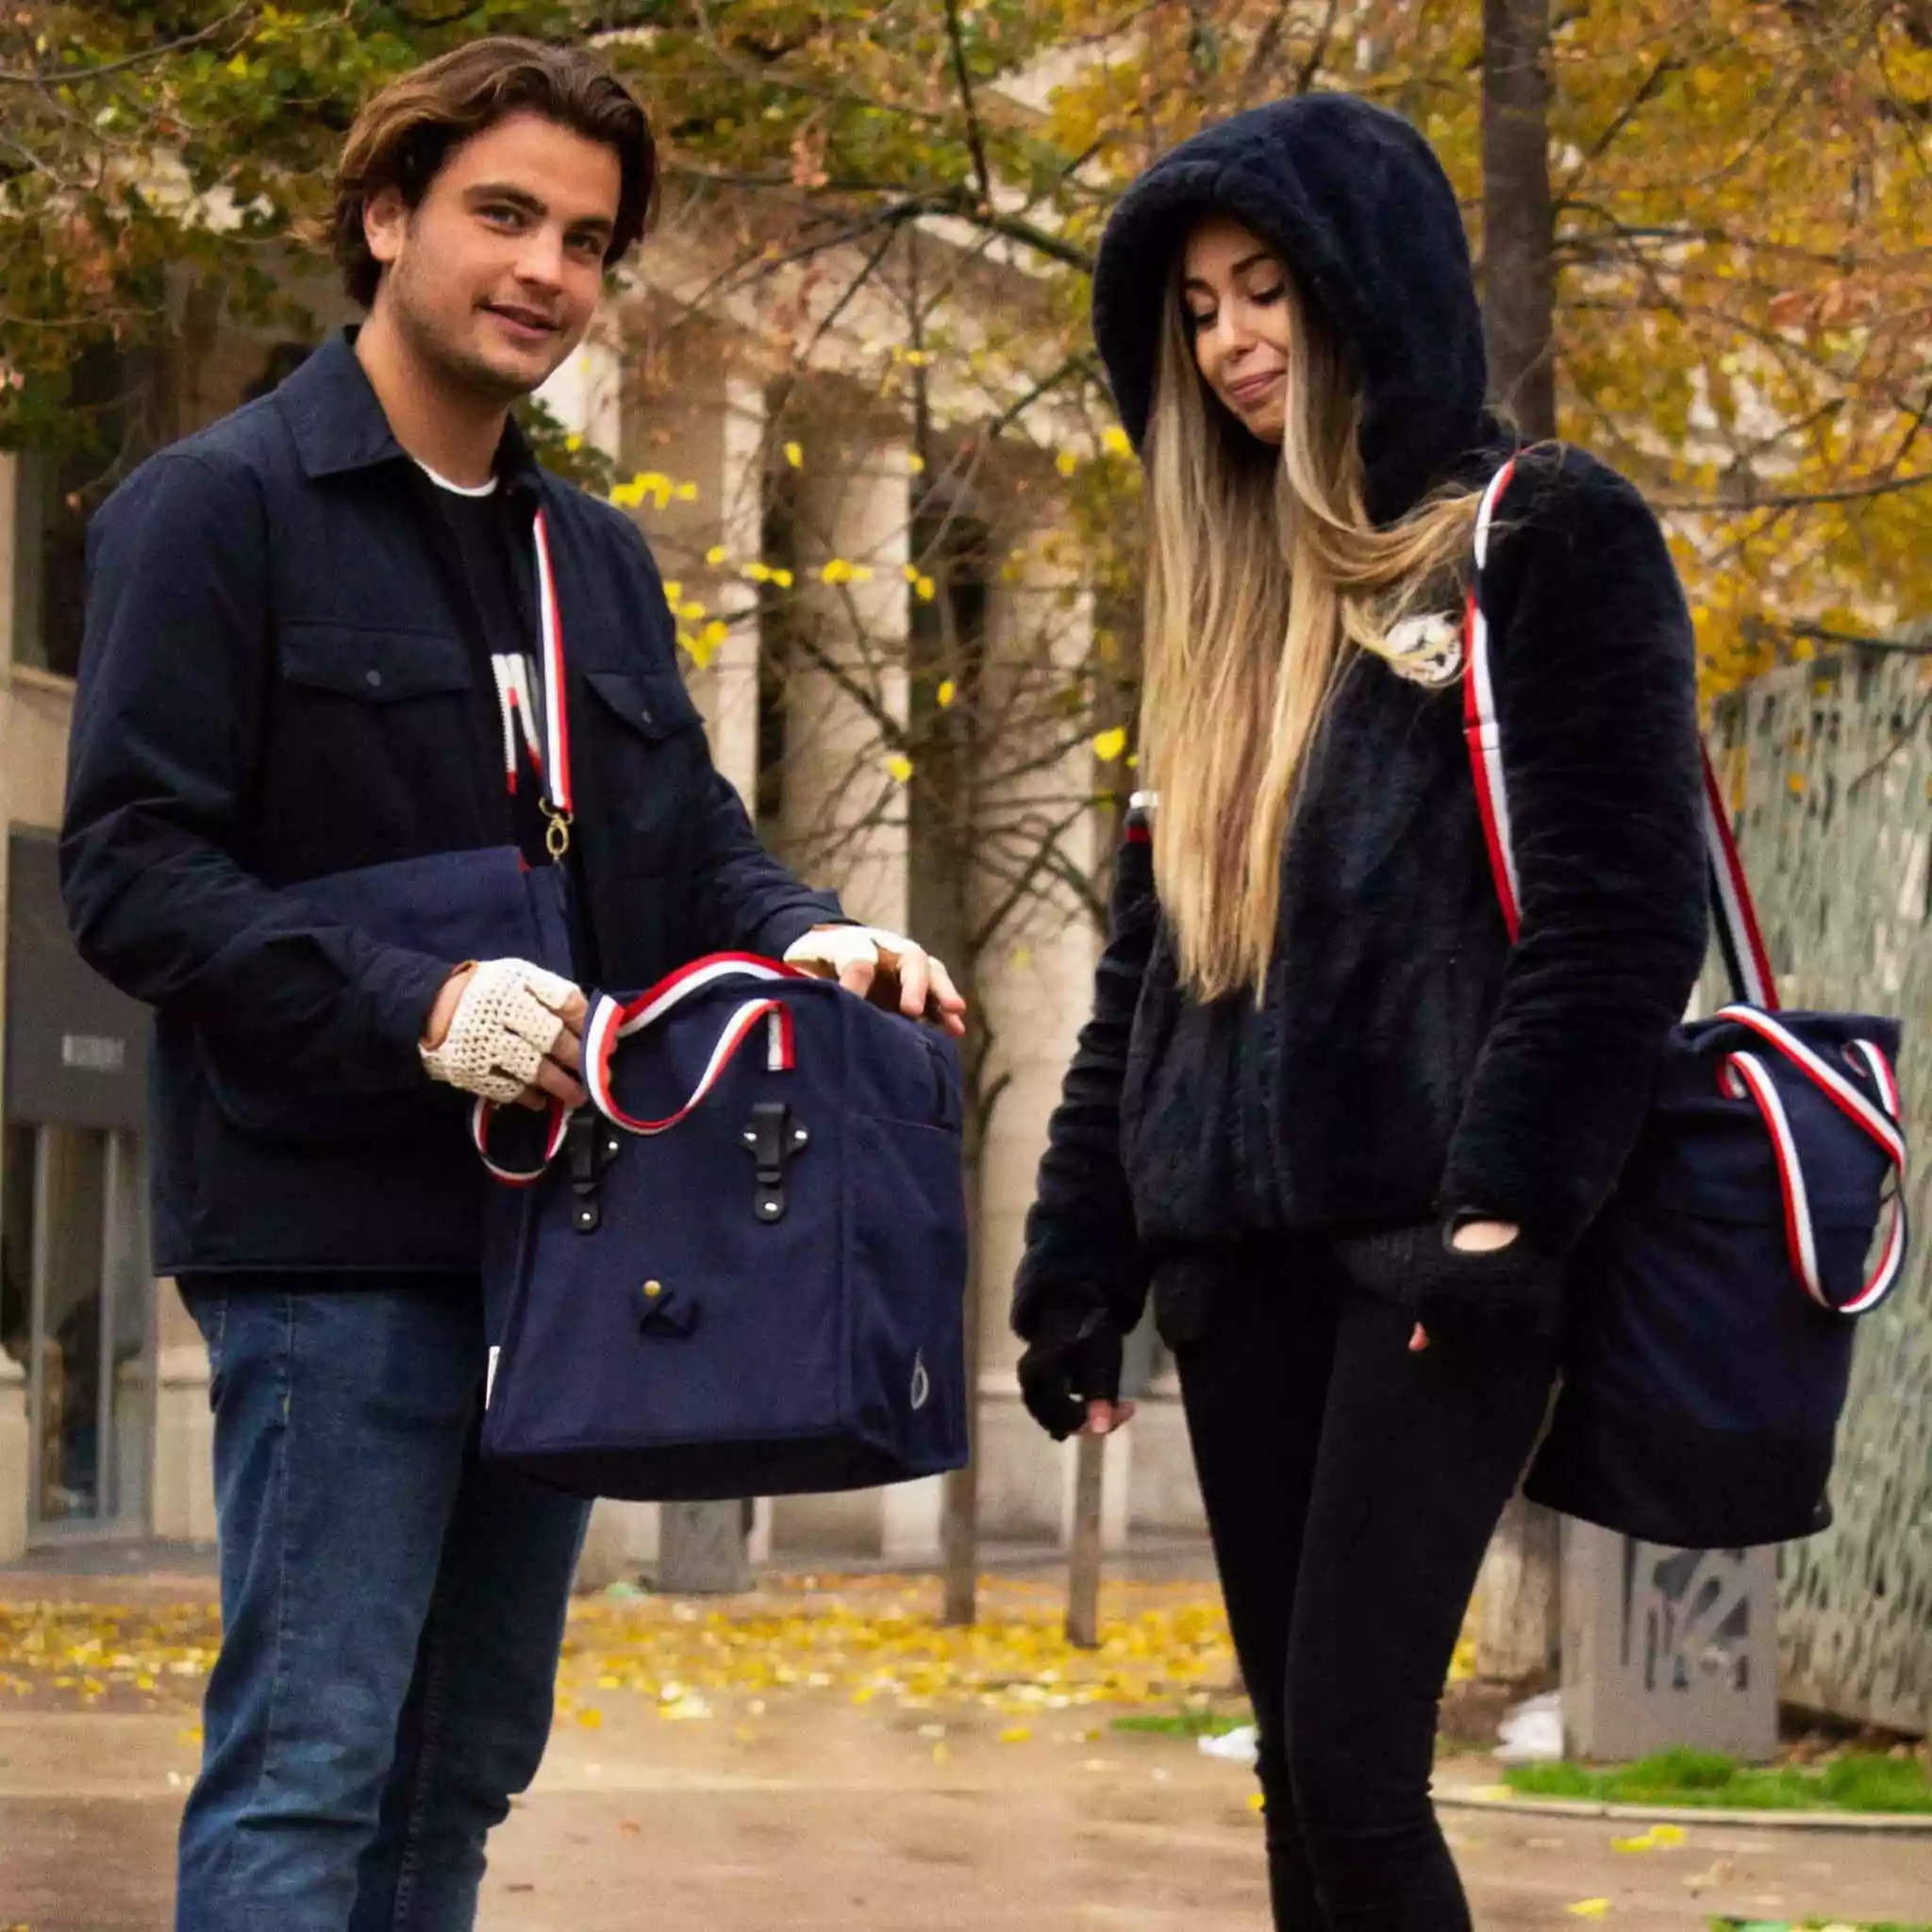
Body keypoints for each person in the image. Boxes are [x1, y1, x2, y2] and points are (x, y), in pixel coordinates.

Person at [61, 39, 963, 1932]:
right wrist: (417, 1003)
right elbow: (132, 871)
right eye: (503, 214)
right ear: (386, 217)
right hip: (333, 1254)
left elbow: (687, 846)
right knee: (309, 1772)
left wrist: (806, 934)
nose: (547, 268)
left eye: (587, 239)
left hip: (562, 1253)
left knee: (462, 1769)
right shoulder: (217, 507)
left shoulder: (594, 560)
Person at [1011, 94, 1707, 1930]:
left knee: (1351, 1770)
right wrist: (1081, 1256)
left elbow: (1624, 914)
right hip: (1233, 1279)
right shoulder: (1224, 614)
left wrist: (1503, 1215)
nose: (1232, 342)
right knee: (1295, 1790)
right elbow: (1149, 973)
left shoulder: (1540, 535)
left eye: (1268, 291)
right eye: (1196, 312)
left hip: (1428, 1259)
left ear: (1364, 287)